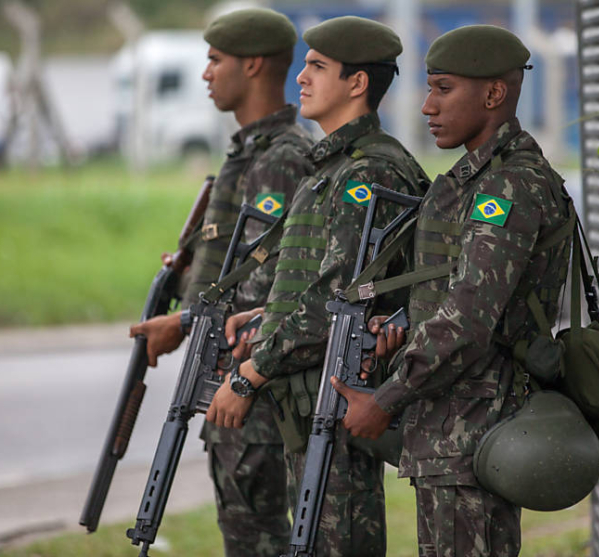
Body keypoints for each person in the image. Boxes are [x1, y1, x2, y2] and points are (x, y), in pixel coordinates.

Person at [332, 25, 574, 557]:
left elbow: (468, 321)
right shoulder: (474, 181)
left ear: (492, 94)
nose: (425, 107)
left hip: (474, 431)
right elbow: (456, 293)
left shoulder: (508, 185)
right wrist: (400, 326)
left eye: (442, 89)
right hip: (451, 427)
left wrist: (386, 401)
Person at [205, 16, 430, 557]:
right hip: (309, 400)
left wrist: (248, 375)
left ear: (357, 84)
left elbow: (338, 305)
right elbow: (321, 280)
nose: (301, 77)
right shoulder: (332, 167)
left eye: (318, 67)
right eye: (304, 65)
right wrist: (263, 317)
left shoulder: (366, 173)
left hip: (334, 400)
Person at [128, 8, 313, 557]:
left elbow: (268, 285)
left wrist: (183, 322)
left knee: (259, 539)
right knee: (243, 533)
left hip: (256, 386)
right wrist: (188, 275)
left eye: (215, 60)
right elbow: (234, 263)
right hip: (227, 379)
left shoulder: (282, 159)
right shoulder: (248, 153)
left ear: (253, 64)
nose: (206, 73)